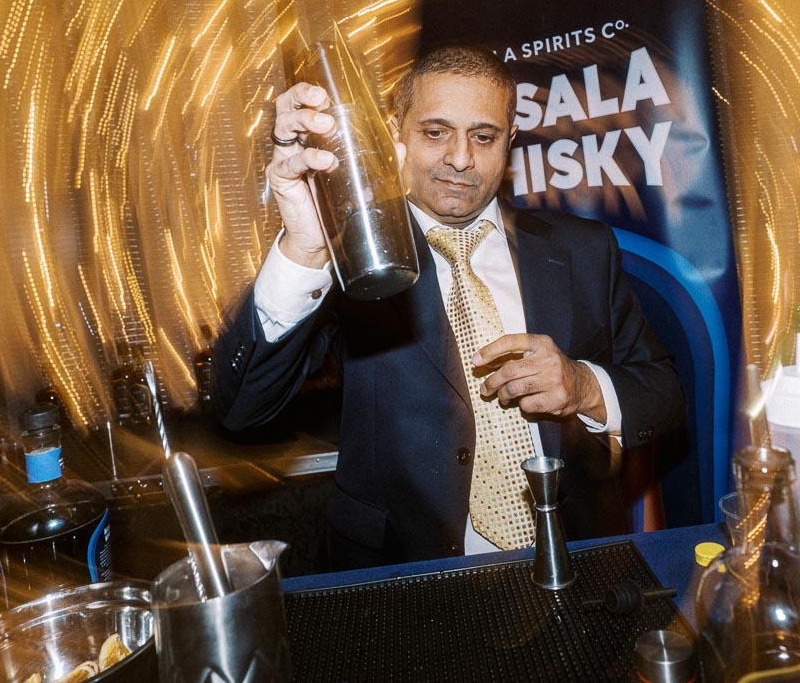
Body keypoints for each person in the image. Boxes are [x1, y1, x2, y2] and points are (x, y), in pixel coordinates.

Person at [214, 44, 685, 569]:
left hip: (573, 560)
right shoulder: (351, 252)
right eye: (436, 132)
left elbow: (665, 394)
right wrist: (305, 249)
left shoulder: (582, 248)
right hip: (403, 578)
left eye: (483, 137)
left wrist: (584, 386)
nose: (460, 159)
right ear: (396, 133)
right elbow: (243, 408)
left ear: (510, 140)